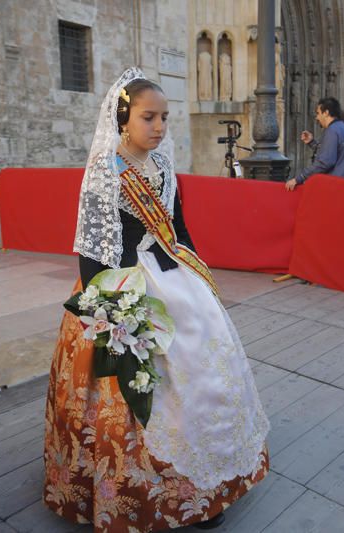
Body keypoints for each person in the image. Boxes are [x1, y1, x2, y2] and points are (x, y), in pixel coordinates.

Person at [43, 68, 270, 532]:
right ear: (124, 119)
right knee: (144, 390)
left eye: (165, 117)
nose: (160, 127)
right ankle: (143, 493)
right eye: (150, 117)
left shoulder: (164, 167)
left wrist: (198, 277)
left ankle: (205, 488)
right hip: (122, 289)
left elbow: (178, 229)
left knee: (206, 375)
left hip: (175, 279)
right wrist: (109, 319)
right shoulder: (104, 173)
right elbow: (92, 251)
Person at [285, 97, 344, 190]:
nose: (317, 117)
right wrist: (312, 143)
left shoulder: (332, 131)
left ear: (326, 113)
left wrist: (299, 178)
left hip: (335, 187)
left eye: (318, 113)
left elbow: (325, 162)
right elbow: (336, 153)